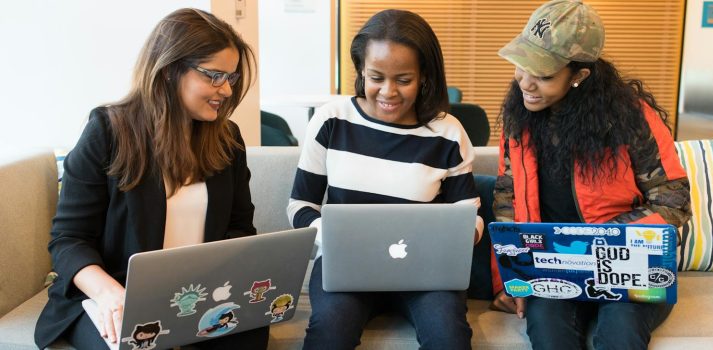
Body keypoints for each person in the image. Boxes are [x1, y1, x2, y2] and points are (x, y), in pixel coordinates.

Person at [33, 8, 267, 349]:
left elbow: (240, 230)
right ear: (171, 70)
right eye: (214, 75)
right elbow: (69, 240)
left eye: (230, 78)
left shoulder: (227, 140)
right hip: (114, 294)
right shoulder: (107, 131)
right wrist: (112, 295)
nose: (227, 90)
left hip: (197, 297)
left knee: (249, 336)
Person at [490, 1, 692, 349]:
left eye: (544, 74)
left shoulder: (632, 118)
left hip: (631, 267)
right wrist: (512, 281)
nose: (525, 82)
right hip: (552, 270)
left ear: (579, 76)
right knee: (548, 332)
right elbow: (507, 201)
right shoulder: (518, 120)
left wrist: (598, 240)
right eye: (521, 66)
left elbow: (673, 200)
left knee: (620, 333)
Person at [287, 9, 483, 350]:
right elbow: (300, 205)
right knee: (329, 333)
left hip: (427, 274)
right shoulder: (333, 120)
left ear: (424, 76)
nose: (388, 92)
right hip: (345, 268)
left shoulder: (448, 133)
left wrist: (464, 236)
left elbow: (470, 214)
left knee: (448, 337)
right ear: (361, 69)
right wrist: (332, 238)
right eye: (376, 76)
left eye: (403, 79)